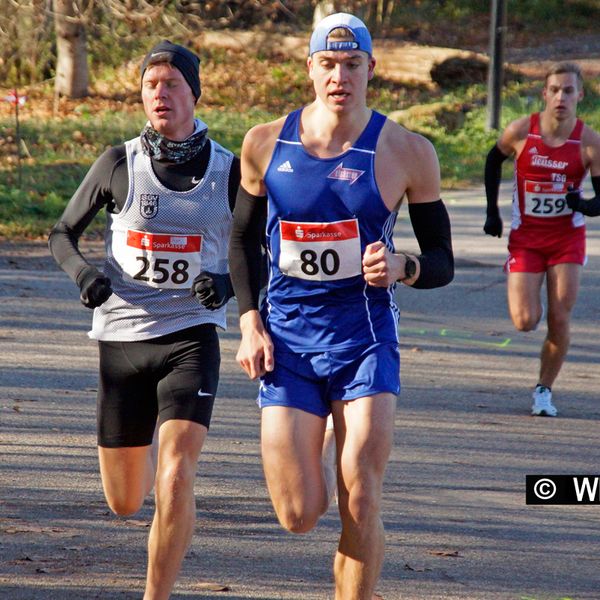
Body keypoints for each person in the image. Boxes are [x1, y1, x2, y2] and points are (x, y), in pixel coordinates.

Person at [229, 13, 454, 600]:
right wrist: (250, 322)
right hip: (289, 342)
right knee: (299, 513)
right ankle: (323, 431)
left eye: (352, 64)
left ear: (371, 70)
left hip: (365, 340)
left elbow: (442, 261)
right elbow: (240, 241)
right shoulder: (263, 143)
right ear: (309, 68)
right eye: (327, 64)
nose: (339, 76)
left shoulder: (407, 151)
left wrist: (405, 267)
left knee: (361, 490)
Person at [48, 40, 239, 599]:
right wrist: (85, 276)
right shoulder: (118, 162)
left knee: (177, 470)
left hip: (192, 336)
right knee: (126, 501)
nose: (160, 93)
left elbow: (266, 247)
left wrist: (226, 283)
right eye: (151, 84)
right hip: (123, 340)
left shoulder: (228, 171)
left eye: (171, 83)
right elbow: (62, 234)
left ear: (194, 93)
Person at [484, 61, 600, 417]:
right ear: (544, 94)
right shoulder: (521, 131)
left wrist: (580, 203)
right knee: (525, 320)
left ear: (580, 94)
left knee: (560, 318)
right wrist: (493, 212)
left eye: (568, 90)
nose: (561, 97)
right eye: (555, 90)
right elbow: (492, 161)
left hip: (567, 239)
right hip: (527, 239)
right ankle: (541, 380)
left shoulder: (589, 141)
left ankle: (543, 390)